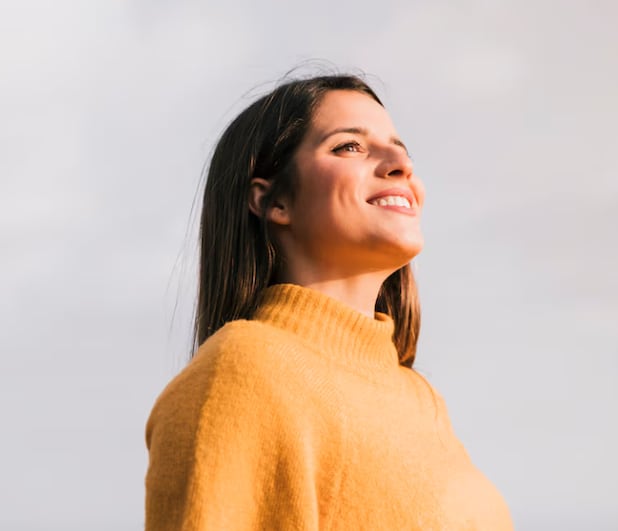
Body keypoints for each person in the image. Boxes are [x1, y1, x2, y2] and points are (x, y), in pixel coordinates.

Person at [144, 73, 514, 530]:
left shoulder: (421, 400)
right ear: (273, 201)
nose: (400, 162)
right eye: (349, 147)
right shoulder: (243, 371)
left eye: (401, 148)